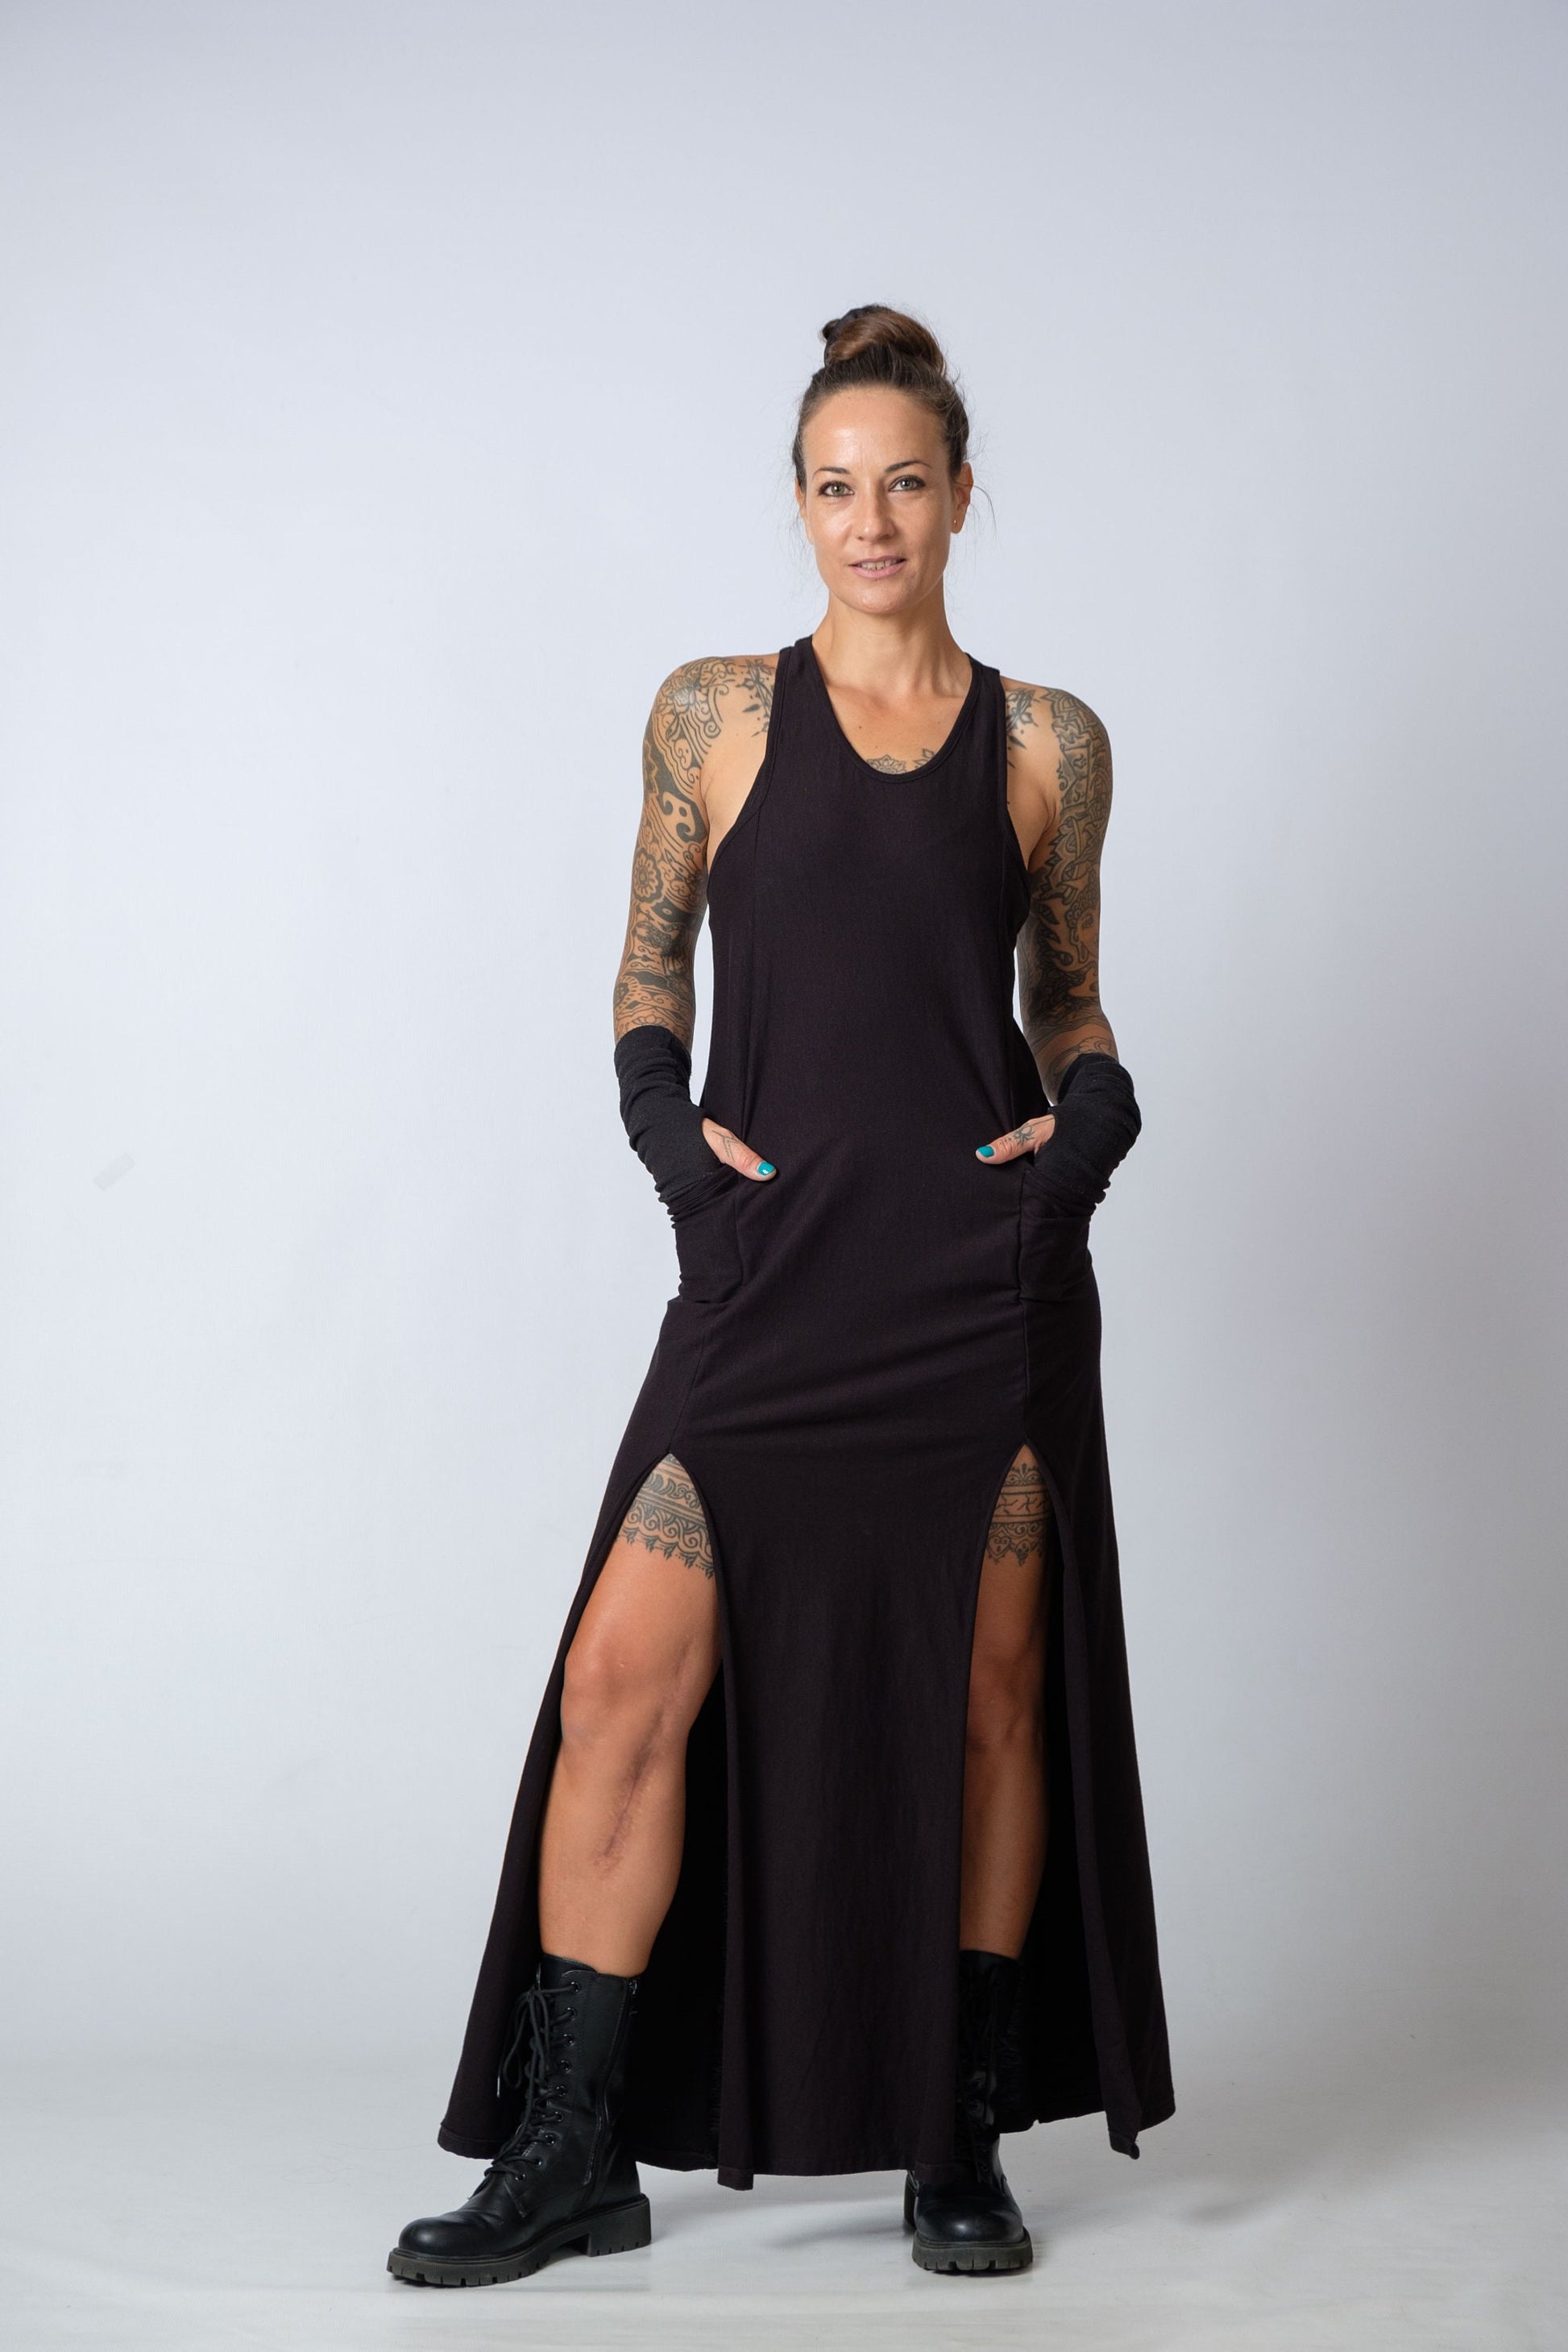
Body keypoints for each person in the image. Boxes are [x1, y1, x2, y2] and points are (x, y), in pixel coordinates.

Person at [389, 305, 1173, 2288]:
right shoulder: (713, 713)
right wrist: (674, 1149)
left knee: (989, 1699)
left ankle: (954, 2133)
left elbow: (1067, 996)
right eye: (836, 486)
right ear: (800, 505)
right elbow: (648, 965)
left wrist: (1088, 1120)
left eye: (905, 481)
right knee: (619, 1681)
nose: (871, 518)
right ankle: (572, 2146)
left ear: (963, 495)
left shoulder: (1046, 743)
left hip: (978, 1282)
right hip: (767, 1273)